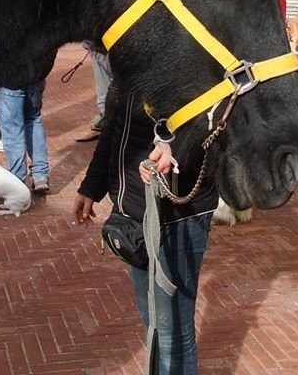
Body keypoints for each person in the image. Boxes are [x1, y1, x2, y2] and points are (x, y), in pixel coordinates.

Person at [73, 91, 218, 375]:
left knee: (172, 331)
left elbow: (214, 124)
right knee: (153, 323)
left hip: (177, 214)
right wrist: (91, 186)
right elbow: (115, 124)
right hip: (134, 213)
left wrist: (176, 151)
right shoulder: (130, 55)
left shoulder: (192, 55)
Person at [0, 80, 50, 193]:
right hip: (36, 74)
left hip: (8, 78)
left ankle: (17, 180)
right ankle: (40, 175)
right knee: (33, 118)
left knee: (12, 129)